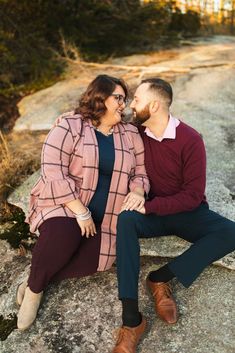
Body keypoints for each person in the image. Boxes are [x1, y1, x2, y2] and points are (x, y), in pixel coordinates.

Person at [16, 74, 150, 331]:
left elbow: (141, 173)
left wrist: (138, 191)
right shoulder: (70, 124)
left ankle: (35, 276)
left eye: (125, 98)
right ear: (100, 97)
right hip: (66, 206)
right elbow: (52, 169)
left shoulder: (130, 134)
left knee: (96, 262)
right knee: (64, 237)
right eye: (118, 98)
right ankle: (34, 291)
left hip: (107, 216)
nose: (124, 104)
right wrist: (81, 212)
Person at [112, 78, 235, 353]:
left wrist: (149, 206)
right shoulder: (135, 133)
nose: (132, 104)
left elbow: (192, 195)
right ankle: (132, 320)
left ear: (154, 105)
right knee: (126, 220)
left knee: (231, 232)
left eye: (137, 100)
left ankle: (160, 278)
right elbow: (101, 124)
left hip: (185, 212)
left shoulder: (190, 139)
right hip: (151, 214)